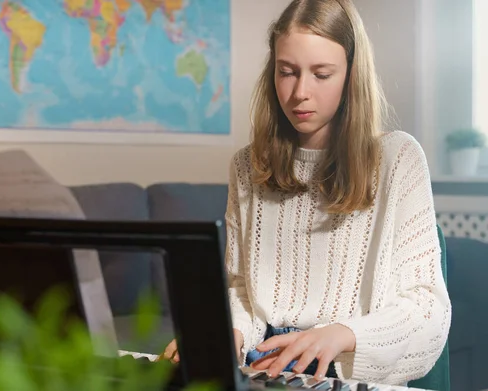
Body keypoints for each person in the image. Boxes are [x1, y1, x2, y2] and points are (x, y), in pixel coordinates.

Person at [162, 0, 451, 386]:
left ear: (351, 75)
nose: (300, 92)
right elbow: (241, 290)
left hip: (347, 365)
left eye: (321, 74)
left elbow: (427, 309)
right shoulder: (247, 166)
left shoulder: (399, 159)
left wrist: (342, 334)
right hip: (266, 366)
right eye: (287, 72)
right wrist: (226, 333)